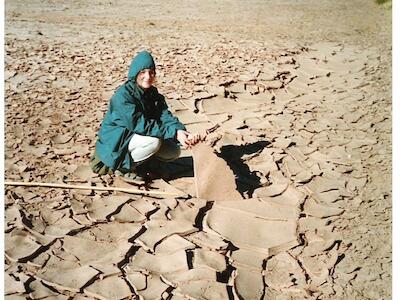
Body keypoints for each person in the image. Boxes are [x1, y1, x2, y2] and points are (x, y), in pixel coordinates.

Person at [90, 50, 201, 183]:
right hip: (117, 143)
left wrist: (179, 131)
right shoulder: (123, 97)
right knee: (153, 142)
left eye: (151, 72)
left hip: (135, 137)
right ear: (135, 73)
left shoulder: (152, 93)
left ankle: (145, 163)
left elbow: (165, 115)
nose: (148, 77)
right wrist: (173, 133)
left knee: (174, 150)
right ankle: (124, 169)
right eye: (143, 72)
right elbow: (140, 125)